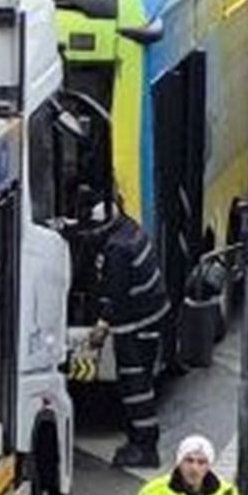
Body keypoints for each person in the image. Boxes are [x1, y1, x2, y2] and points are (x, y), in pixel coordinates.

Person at [84, 195, 170, 470]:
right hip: (151, 317)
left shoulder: (117, 250)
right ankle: (139, 440)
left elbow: (116, 295)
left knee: (135, 386)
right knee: (140, 382)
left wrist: (101, 326)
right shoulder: (129, 227)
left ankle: (145, 447)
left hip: (137, 324)